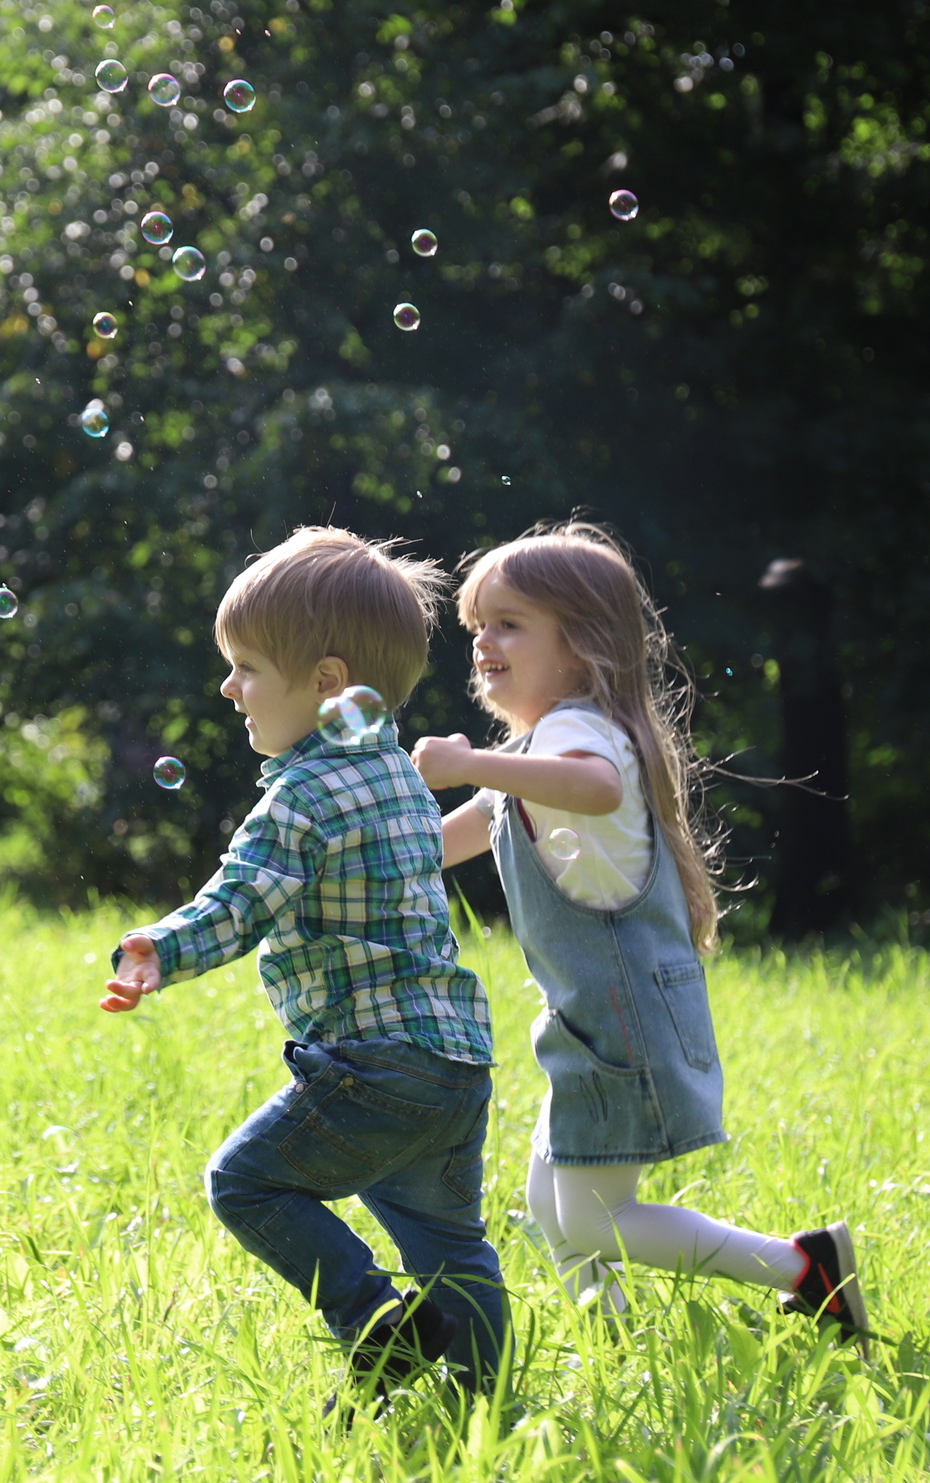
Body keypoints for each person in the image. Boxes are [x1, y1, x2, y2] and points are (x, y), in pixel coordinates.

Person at [410, 521, 868, 1340]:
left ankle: (808, 1269)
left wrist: (470, 761)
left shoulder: (580, 733)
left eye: (509, 623)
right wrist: (371, 861)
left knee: (593, 1217)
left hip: (624, 1027)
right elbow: (457, 835)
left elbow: (592, 788)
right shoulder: (538, 748)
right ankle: (615, 1341)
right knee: (552, 1203)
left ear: (582, 645)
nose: (482, 641)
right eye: (478, 625)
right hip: (595, 1026)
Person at [99, 526, 506, 1412]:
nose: (228, 687)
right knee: (451, 1244)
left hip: (372, 1067)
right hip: (455, 1063)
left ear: (325, 682)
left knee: (245, 1181)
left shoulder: (302, 794)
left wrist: (161, 948)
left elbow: (240, 901)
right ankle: (482, 1409)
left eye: (246, 667)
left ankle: (372, 1317)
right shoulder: (398, 774)